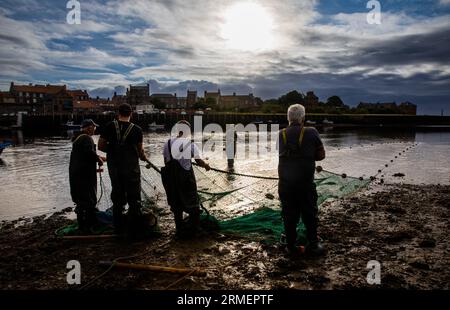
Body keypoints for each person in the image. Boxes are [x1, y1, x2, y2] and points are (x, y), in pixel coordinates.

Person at [278, 104, 326, 257]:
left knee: (289, 213)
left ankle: (291, 246)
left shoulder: (281, 134)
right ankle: (313, 244)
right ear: (303, 118)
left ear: (288, 118)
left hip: (285, 184)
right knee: (309, 212)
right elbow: (321, 155)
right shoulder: (311, 132)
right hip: (305, 184)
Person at [98, 104, 150, 236]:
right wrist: (143, 157)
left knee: (118, 198)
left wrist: (112, 150)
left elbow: (101, 145)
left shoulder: (109, 126)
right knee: (134, 199)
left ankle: (119, 230)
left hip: (115, 169)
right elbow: (140, 151)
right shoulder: (137, 129)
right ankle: (135, 230)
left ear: (118, 113)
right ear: (131, 114)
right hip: (132, 169)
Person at [162, 120, 210, 236]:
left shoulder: (167, 143)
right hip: (186, 179)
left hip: (171, 179)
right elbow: (198, 161)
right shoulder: (191, 144)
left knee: (176, 203)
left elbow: (166, 161)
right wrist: (206, 166)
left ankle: (179, 229)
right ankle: (195, 229)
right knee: (192, 201)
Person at [69, 119, 105, 232]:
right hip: (84, 176)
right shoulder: (86, 138)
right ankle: (89, 226)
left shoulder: (78, 139)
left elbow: (86, 154)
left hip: (76, 175)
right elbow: (90, 153)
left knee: (81, 201)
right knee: (89, 200)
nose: (95, 129)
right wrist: (99, 159)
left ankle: (82, 225)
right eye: (94, 127)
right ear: (89, 127)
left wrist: (102, 158)